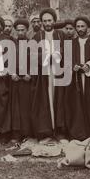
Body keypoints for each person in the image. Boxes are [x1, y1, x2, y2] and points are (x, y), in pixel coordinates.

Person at [62, 16, 90, 140]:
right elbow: (66, 61)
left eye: (82, 26)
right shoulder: (70, 43)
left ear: (88, 27)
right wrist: (73, 67)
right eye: (77, 26)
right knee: (76, 104)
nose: (80, 29)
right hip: (76, 79)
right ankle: (78, 133)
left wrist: (88, 67)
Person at [31, 8, 66, 141]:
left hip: (59, 72)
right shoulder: (37, 37)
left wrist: (57, 55)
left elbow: (66, 50)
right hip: (43, 74)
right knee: (45, 100)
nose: (47, 23)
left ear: (54, 21)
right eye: (44, 21)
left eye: (49, 20)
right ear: (41, 22)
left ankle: (60, 130)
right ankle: (46, 131)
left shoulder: (61, 35)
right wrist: (46, 57)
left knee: (60, 99)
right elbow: (32, 55)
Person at [10, 18, 33, 141]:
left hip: (27, 82)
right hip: (15, 81)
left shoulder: (32, 44)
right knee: (15, 108)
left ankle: (27, 133)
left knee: (26, 106)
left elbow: (35, 62)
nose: (20, 33)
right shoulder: (12, 44)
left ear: (27, 30)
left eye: (22, 30)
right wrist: (12, 73)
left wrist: (30, 74)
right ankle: (16, 134)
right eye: (18, 30)